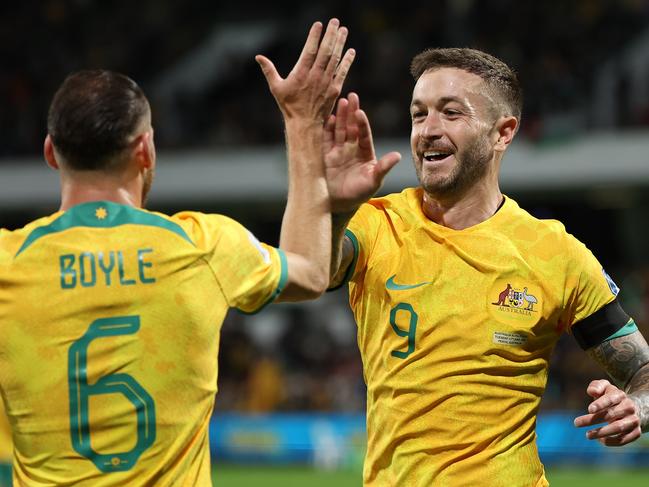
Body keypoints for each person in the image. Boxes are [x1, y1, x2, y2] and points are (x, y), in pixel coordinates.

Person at [0, 19, 354, 486]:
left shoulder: (9, 262)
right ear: (145, 149)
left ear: (50, 152)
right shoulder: (202, 245)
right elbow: (310, 272)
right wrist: (303, 124)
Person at [314, 48, 649, 485]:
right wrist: (333, 206)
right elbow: (311, 274)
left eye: (450, 113)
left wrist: (635, 408)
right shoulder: (377, 224)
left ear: (503, 133)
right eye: (419, 115)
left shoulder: (554, 252)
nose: (428, 131)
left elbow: (642, 371)